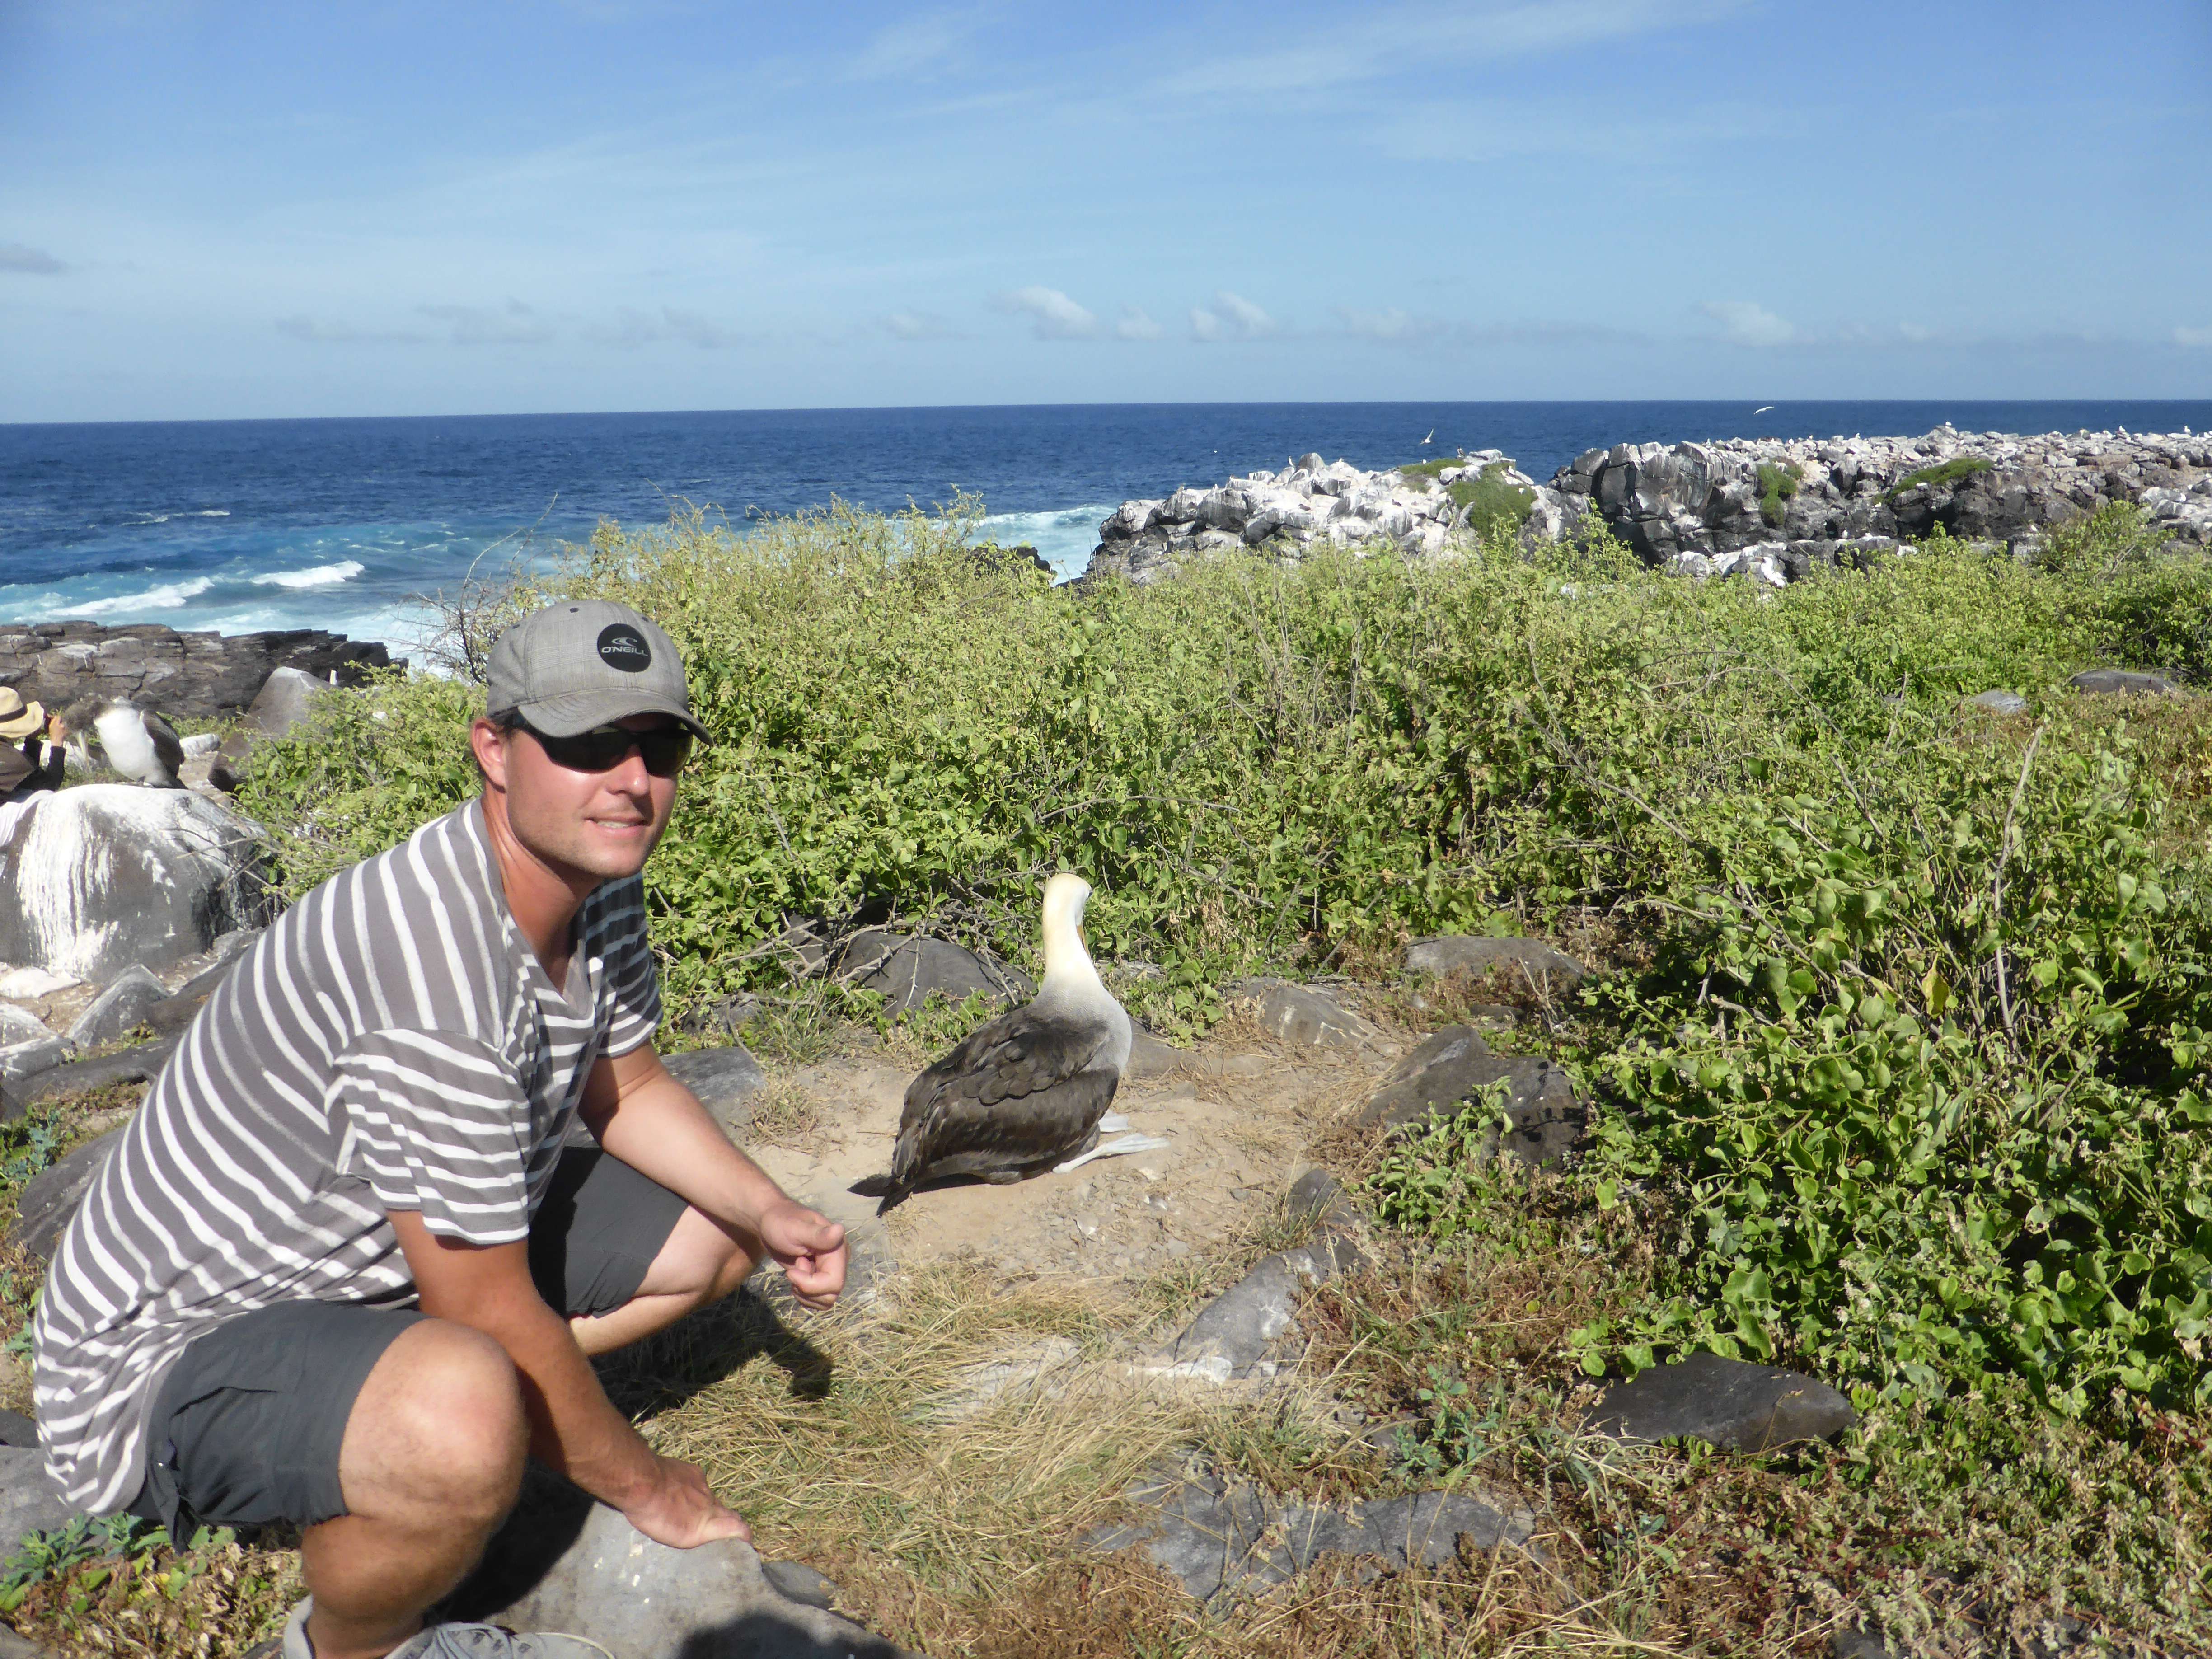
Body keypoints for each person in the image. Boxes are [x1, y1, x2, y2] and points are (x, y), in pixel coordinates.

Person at [34, 600, 848, 1659]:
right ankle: (357, 1640)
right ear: (494, 750)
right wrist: (651, 1490)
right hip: (166, 1354)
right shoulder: (432, 970)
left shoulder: (590, 879)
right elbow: (484, 1303)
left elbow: (629, 1083)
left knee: (717, 1234)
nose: (632, 781)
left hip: (369, 1268)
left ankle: (455, 1415)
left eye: (659, 748)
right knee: (464, 1413)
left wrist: (770, 1211)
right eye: (589, 744)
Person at [0, 689, 65, 802]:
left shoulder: (8, 756)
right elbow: (49, 785)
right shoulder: (12, 760)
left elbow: (26, 778)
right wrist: (57, 742)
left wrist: (32, 739)